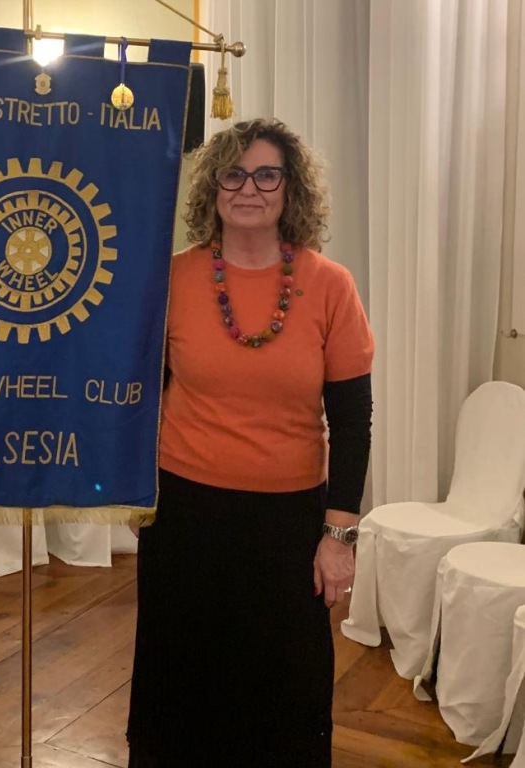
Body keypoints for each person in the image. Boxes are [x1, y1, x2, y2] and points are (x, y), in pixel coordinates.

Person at [127, 118, 374, 767]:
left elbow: (353, 423)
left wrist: (339, 536)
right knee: (180, 683)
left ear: (291, 189)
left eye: (267, 175)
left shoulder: (331, 286)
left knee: (284, 690)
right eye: (233, 174)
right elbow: (138, 396)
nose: (249, 189)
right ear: (212, 187)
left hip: (288, 526)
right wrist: (130, 486)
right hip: (184, 515)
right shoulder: (171, 279)